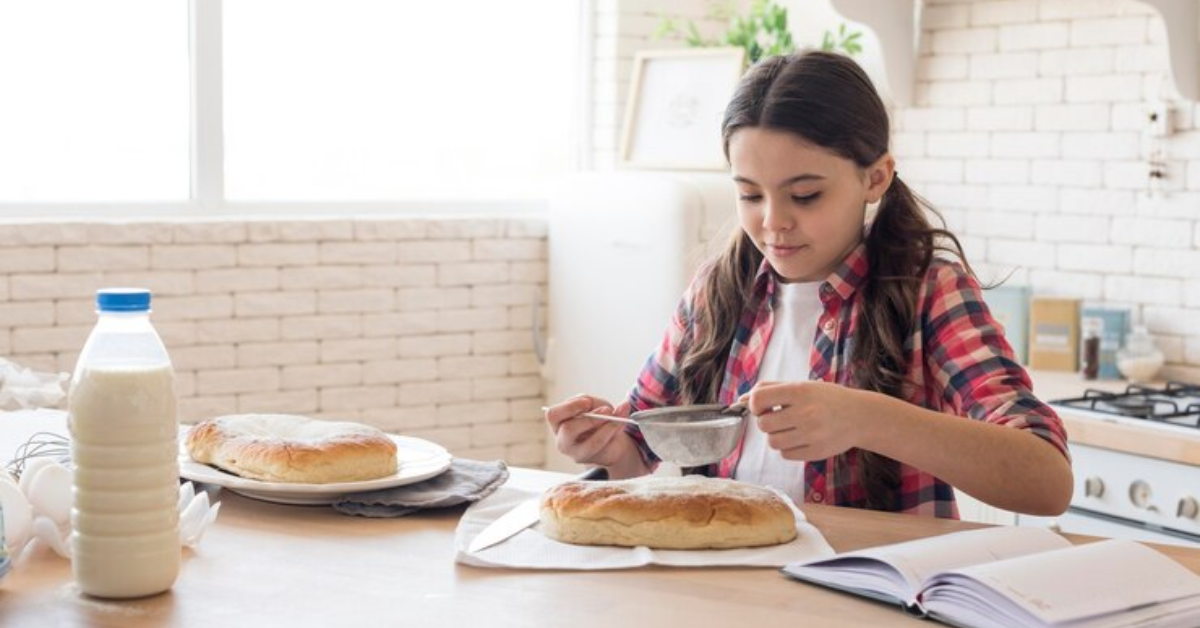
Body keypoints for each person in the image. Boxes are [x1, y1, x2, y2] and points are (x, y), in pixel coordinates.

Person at [544, 50, 1072, 518]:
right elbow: (642, 442)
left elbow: (1046, 480)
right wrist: (607, 445)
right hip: (734, 595)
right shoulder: (720, 288)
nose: (773, 222)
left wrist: (865, 418)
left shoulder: (927, 290)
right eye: (750, 195)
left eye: (805, 195)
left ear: (876, 178)